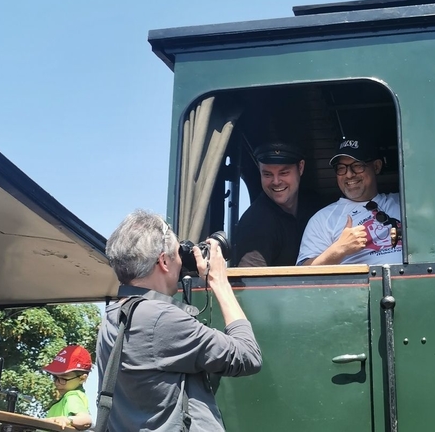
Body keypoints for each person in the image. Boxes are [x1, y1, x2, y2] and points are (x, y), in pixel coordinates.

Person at [97, 210, 262, 431]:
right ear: (163, 261)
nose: (181, 260)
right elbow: (248, 355)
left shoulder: (113, 316)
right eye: (177, 253)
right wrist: (220, 282)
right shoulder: (161, 318)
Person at [297, 138, 402, 265]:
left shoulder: (403, 203)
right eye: (341, 168)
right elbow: (304, 273)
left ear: (376, 166)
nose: (349, 175)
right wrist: (340, 249)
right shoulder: (323, 219)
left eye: (357, 166)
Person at [234, 142, 317, 266]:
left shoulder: (315, 207)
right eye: (268, 174)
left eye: (284, 173)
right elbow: (251, 282)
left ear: (300, 168)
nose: (276, 181)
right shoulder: (255, 223)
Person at [43, 345, 93, 430]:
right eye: (55, 377)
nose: (57, 383)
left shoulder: (72, 397)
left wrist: (68, 420)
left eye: (63, 378)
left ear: (82, 378)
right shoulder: (65, 399)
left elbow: (86, 420)